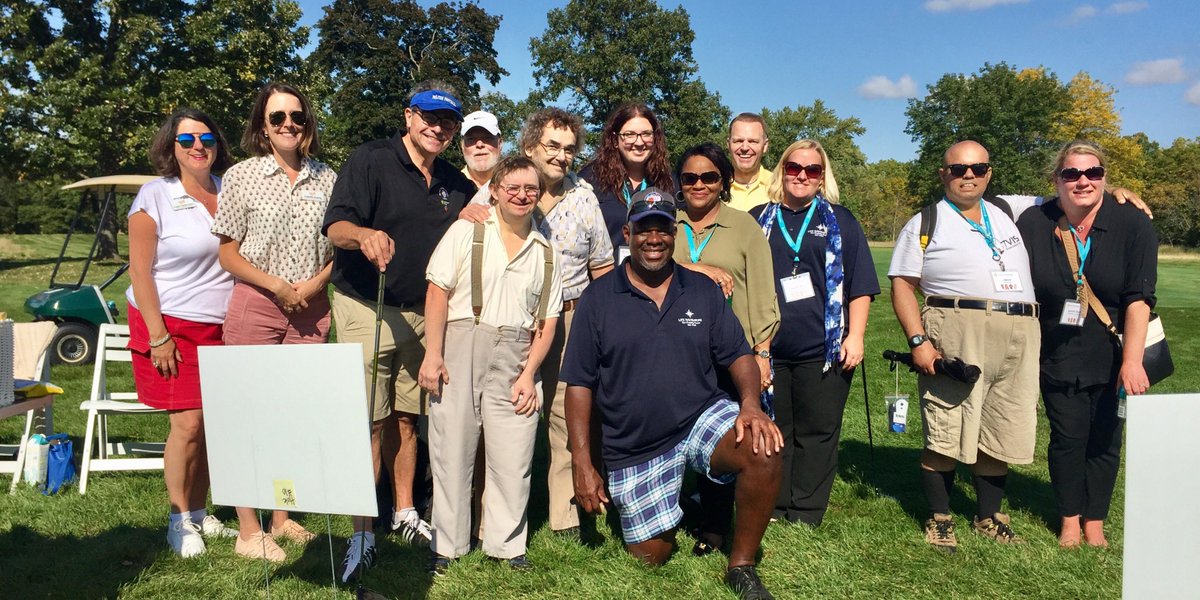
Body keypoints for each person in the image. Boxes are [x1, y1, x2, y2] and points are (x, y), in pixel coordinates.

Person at [561, 188, 784, 600]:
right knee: (651, 557)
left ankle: (742, 566)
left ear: (673, 233)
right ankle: (689, 505)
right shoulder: (598, 299)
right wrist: (582, 460)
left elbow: (738, 354)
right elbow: (579, 385)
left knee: (762, 447)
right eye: (644, 228)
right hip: (636, 444)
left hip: (699, 417)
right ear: (628, 232)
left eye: (662, 228)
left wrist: (751, 405)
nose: (654, 238)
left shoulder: (701, 290)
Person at [322, 81, 476, 581]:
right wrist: (363, 234)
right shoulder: (370, 160)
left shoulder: (456, 183)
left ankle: (405, 511)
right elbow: (336, 227)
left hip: (423, 313)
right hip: (367, 304)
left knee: (408, 419)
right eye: (429, 117)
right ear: (409, 115)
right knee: (367, 420)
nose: (438, 127)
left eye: (448, 121)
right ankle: (362, 531)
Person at [888, 140, 1039, 553]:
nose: (967, 175)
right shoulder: (927, 221)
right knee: (947, 423)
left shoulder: (1011, 210)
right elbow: (902, 284)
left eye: (977, 167)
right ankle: (940, 519)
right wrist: (918, 341)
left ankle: (990, 516)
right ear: (944, 174)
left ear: (989, 173)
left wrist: (1116, 191)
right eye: (957, 169)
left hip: (1020, 328)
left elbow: (1074, 192)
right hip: (957, 323)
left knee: (1003, 423)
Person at [419, 156, 564, 574]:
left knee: (515, 451)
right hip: (463, 341)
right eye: (513, 188)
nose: (522, 196)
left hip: (517, 354)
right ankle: (446, 546)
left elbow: (548, 320)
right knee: (452, 447)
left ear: (538, 196)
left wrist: (529, 372)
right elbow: (437, 291)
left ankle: (506, 544)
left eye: (530, 190)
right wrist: (434, 353)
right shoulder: (468, 230)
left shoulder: (545, 250)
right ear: (496, 189)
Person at [210, 82, 336, 561]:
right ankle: (248, 528)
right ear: (262, 126)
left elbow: (336, 249)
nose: (289, 125)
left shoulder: (328, 177)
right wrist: (279, 286)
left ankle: (283, 516)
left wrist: (312, 286)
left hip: (311, 306)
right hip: (257, 302)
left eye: (297, 117)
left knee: (293, 416)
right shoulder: (242, 176)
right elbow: (228, 253)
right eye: (278, 117)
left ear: (307, 124)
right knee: (248, 413)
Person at [1017, 140, 1158, 548]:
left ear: (1105, 177)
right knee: (1067, 437)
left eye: (1093, 173)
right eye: (1071, 174)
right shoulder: (1033, 221)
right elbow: (978, 199)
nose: (1083, 181)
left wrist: (1132, 361)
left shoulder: (1132, 223)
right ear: (1055, 181)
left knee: (1106, 439)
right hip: (1056, 352)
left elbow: (1138, 299)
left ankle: (1095, 520)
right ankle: (1069, 519)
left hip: (1114, 352)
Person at [749, 139, 879, 527]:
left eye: (812, 170)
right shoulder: (758, 219)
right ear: (782, 171)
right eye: (794, 167)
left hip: (823, 348)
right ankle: (775, 502)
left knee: (818, 431)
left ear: (823, 177)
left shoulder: (841, 220)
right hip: (768, 346)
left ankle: (806, 509)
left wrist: (855, 336)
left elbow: (860, 284)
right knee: (776, 428)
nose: (802, 176)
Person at [125, 108, 236, 558]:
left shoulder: (230, 189)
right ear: (171, 147)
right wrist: (158, 335)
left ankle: (199, 510)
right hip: (169, 321)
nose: (198, 147)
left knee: (213, 426)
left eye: (206, 138)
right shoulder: (154, 196)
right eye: (187, 140)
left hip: (223, 324)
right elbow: (139, 272)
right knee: (187, 424)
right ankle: (178, 519)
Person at [672, 142, 779, 554]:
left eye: (709, 177)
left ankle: (716, 529)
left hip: (734, 352)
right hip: (680, 351)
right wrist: (696, 267)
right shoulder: (669, 221)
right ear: (680, 183)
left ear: (724, 181)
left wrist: (763, 351)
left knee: (731, 436)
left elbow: (764, 295)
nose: (699, 185)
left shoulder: (745, 227)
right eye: (689, 178)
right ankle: (679, 510)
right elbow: (645, 263)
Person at [518, 107, 615, 538]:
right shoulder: (505, 187)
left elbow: (603, 267)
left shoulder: (584, 196)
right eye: (552, 146)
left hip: (573, 315)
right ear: (529, 147)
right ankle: (505, 512)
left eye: (569, 149)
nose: (561, 156)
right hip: (512, 317)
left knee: (563, 412)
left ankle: (564, 515)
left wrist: (606, 324)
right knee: (510, 411)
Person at [578, 103, 675, 259]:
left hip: (653, 279)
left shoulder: (669, 182)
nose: (639, 142)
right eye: (629, 134)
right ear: (615, 140)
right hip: (603, 278)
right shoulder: (590, 179)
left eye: (646, 134)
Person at [727, 113, 773, 213]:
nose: (745, 148)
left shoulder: (779, 187)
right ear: (728, 144)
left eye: (753, 141)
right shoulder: (714, 186)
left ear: (765, 146)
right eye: (738, 141)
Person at [460, 110, 502, 202]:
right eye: (471, 139)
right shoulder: (450, 187)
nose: (479, 144)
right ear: (462, 146)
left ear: (500, 143)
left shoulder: (514, 186)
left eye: (487, 138)